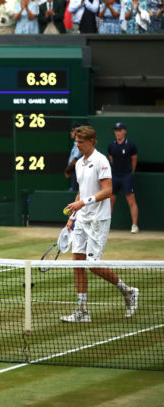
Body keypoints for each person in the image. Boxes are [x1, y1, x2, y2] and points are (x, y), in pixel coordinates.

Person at [61, 125, 139, 323]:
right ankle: (83, 310)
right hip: (82, 218)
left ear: (91, 141)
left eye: (80, 142)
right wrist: (72, 217)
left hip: (98, 220)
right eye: (76, 142)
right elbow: (81, 191)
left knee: (93, 265)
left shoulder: (101, 160)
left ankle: (128, 291)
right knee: (77, 263)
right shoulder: (79, 163)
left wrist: (82, 203)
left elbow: (107, 191)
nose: (77, 145)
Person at [108, 122, 139, 234]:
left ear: (124, 131)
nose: (118, 132)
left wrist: (130, 173)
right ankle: (106, 226)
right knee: (110, 201)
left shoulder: (131, 145)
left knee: (131, 200)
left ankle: (134, 225)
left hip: (127, 175)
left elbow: (134, 160)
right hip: (115, 176)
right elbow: (111, 159)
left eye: (120, 130)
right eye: (116, 130)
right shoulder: (111, 146)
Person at [64, 122, 81, 191]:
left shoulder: (79, 144)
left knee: (76, 192)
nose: (71, 133)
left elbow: (75, 159)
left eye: (72, 131)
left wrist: (68, 170)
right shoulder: (76, 144)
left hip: (77, 172)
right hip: (74, 172)